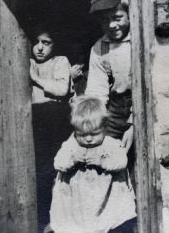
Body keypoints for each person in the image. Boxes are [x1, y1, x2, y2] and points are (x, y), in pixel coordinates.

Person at [48, 97, 136, 233]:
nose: (88, 139)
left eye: (94, 134)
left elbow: (121, 161)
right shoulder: (71, 145)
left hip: (107, 198)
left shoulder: (111, 144)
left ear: (105, 127)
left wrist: (103, 162)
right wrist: (72, 160)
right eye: (82, 134)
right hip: (77, 202)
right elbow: (58, 163)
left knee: (111, 222)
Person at [29, 26, 83, 232]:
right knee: (41, 169)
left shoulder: (60, 61)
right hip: (36, 119)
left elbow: (61, 89)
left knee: (59, 167)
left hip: (55, 118)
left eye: (46, 42)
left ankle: (63, 218)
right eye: (37, 42)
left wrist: (35, 78)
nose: (40, 48)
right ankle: (44, 219)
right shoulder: (29, 62)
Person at [84, 0, 133, 150]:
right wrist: (88, 125)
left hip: (141, 106)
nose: (112, 25)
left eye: (117, 18)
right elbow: (96, 93)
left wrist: (135, 123)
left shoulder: (139, 41)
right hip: (115, 110)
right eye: (105, 20)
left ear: (129, 14)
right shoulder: (99, 48)